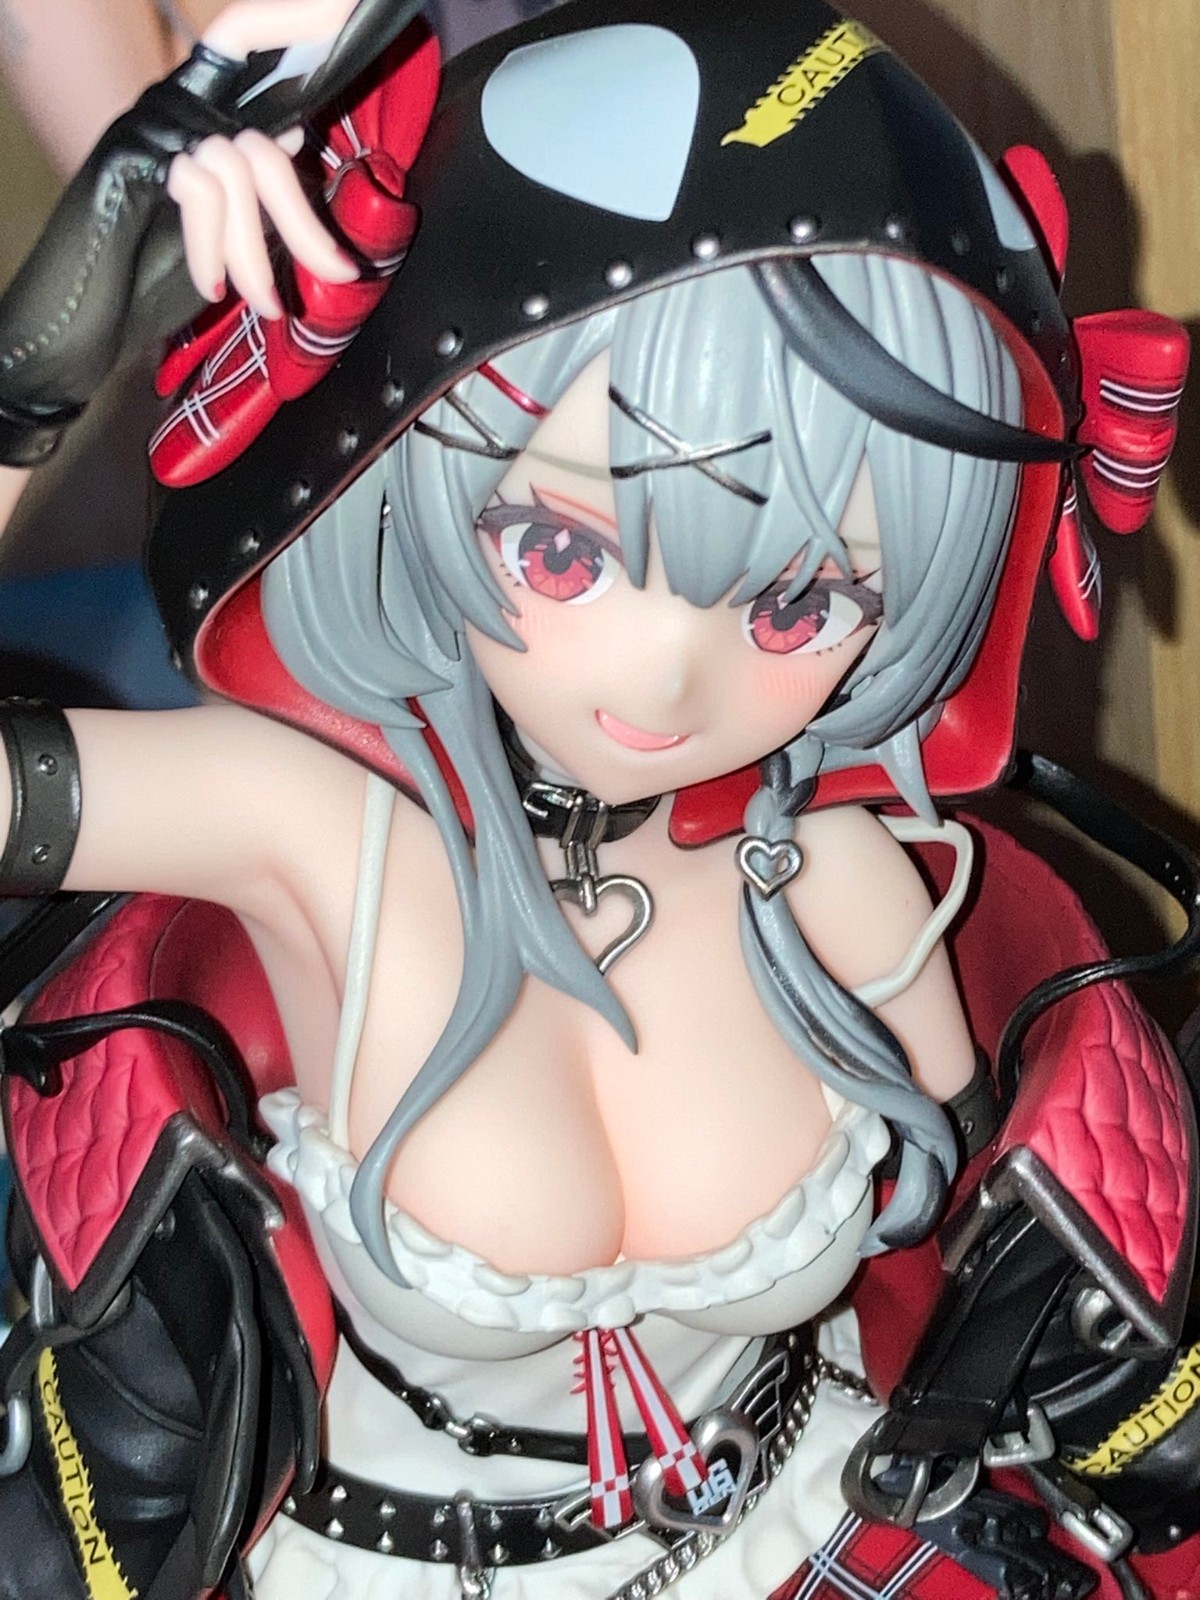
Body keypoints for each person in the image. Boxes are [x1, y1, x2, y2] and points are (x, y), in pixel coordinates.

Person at [0, 2, 1196, 1598]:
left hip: (826, 1531)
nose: (672, 674)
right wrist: (30, 391)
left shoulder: (841, 875)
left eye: (806, 599)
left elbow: (981, 1266)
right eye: (564, 547)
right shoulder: (308, 830)